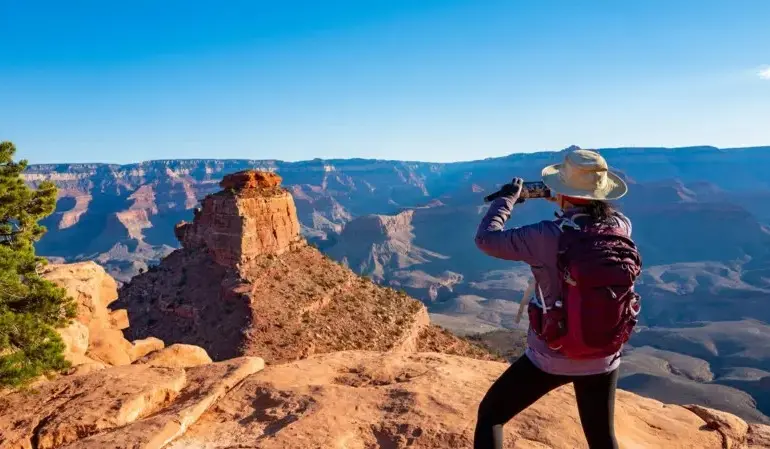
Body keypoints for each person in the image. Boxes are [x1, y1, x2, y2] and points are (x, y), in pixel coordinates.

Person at [473, 148, 640, 449]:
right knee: (602, 438)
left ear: (563, 191)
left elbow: (486, 239)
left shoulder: (545, 235)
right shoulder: (621, 226)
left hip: (552, 356)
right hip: (603, 355)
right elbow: (588, 212)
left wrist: (506, 199)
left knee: (491, 416)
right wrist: (565, 196)